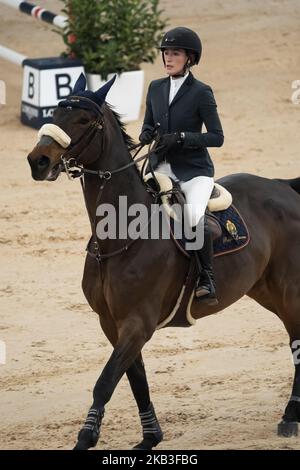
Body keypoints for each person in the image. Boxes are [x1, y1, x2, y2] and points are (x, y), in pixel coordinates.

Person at [139, 27, 224, 305]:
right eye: (165, 52)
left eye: (175, 53)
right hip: (161, 167)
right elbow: (148, 125)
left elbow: (216, 137)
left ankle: (206, 278)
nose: (168, 57)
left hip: (194, 172)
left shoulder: (201, 92)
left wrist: (185, 138)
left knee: (191, 216)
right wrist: (145, 135)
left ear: (189, 58)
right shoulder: (156, 87)